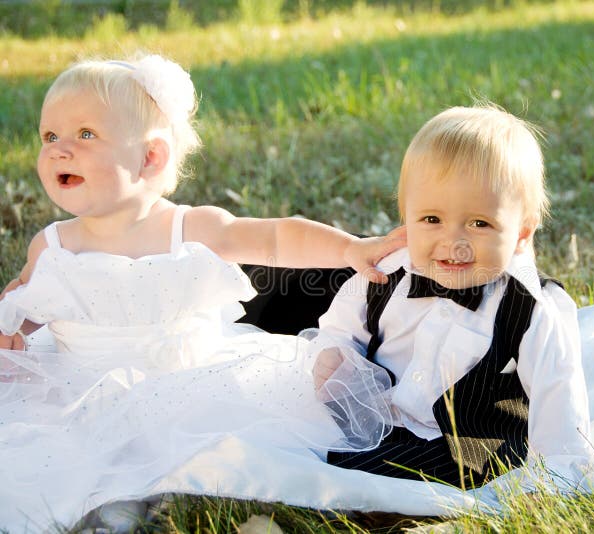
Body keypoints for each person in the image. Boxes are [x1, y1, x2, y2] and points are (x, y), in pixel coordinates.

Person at [0, 54, 402, 531]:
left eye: (86, 135)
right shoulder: (52, 244)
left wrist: (351, 248)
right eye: (50, 137)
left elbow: (275, 238)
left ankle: (149, 493)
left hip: (185, 385)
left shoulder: (188, 227)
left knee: (219, 454)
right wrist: (15, 329)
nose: (60, 149)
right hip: (80, 389)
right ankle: (110, 501)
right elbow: (30, 300)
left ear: (151, 156)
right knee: (57, 456)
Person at [307, 105, 594, 490]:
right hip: (382, 419)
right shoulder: (386, 274)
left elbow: (558, 396)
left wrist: (559, 474)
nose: (453, 242)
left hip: (475, 446)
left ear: (522, 233)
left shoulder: (530, 309)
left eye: (479, 223)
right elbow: (342, 328)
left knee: (450, 483)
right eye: (431, 220)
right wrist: (334, 354)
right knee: (315, 449)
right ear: (405, 216)